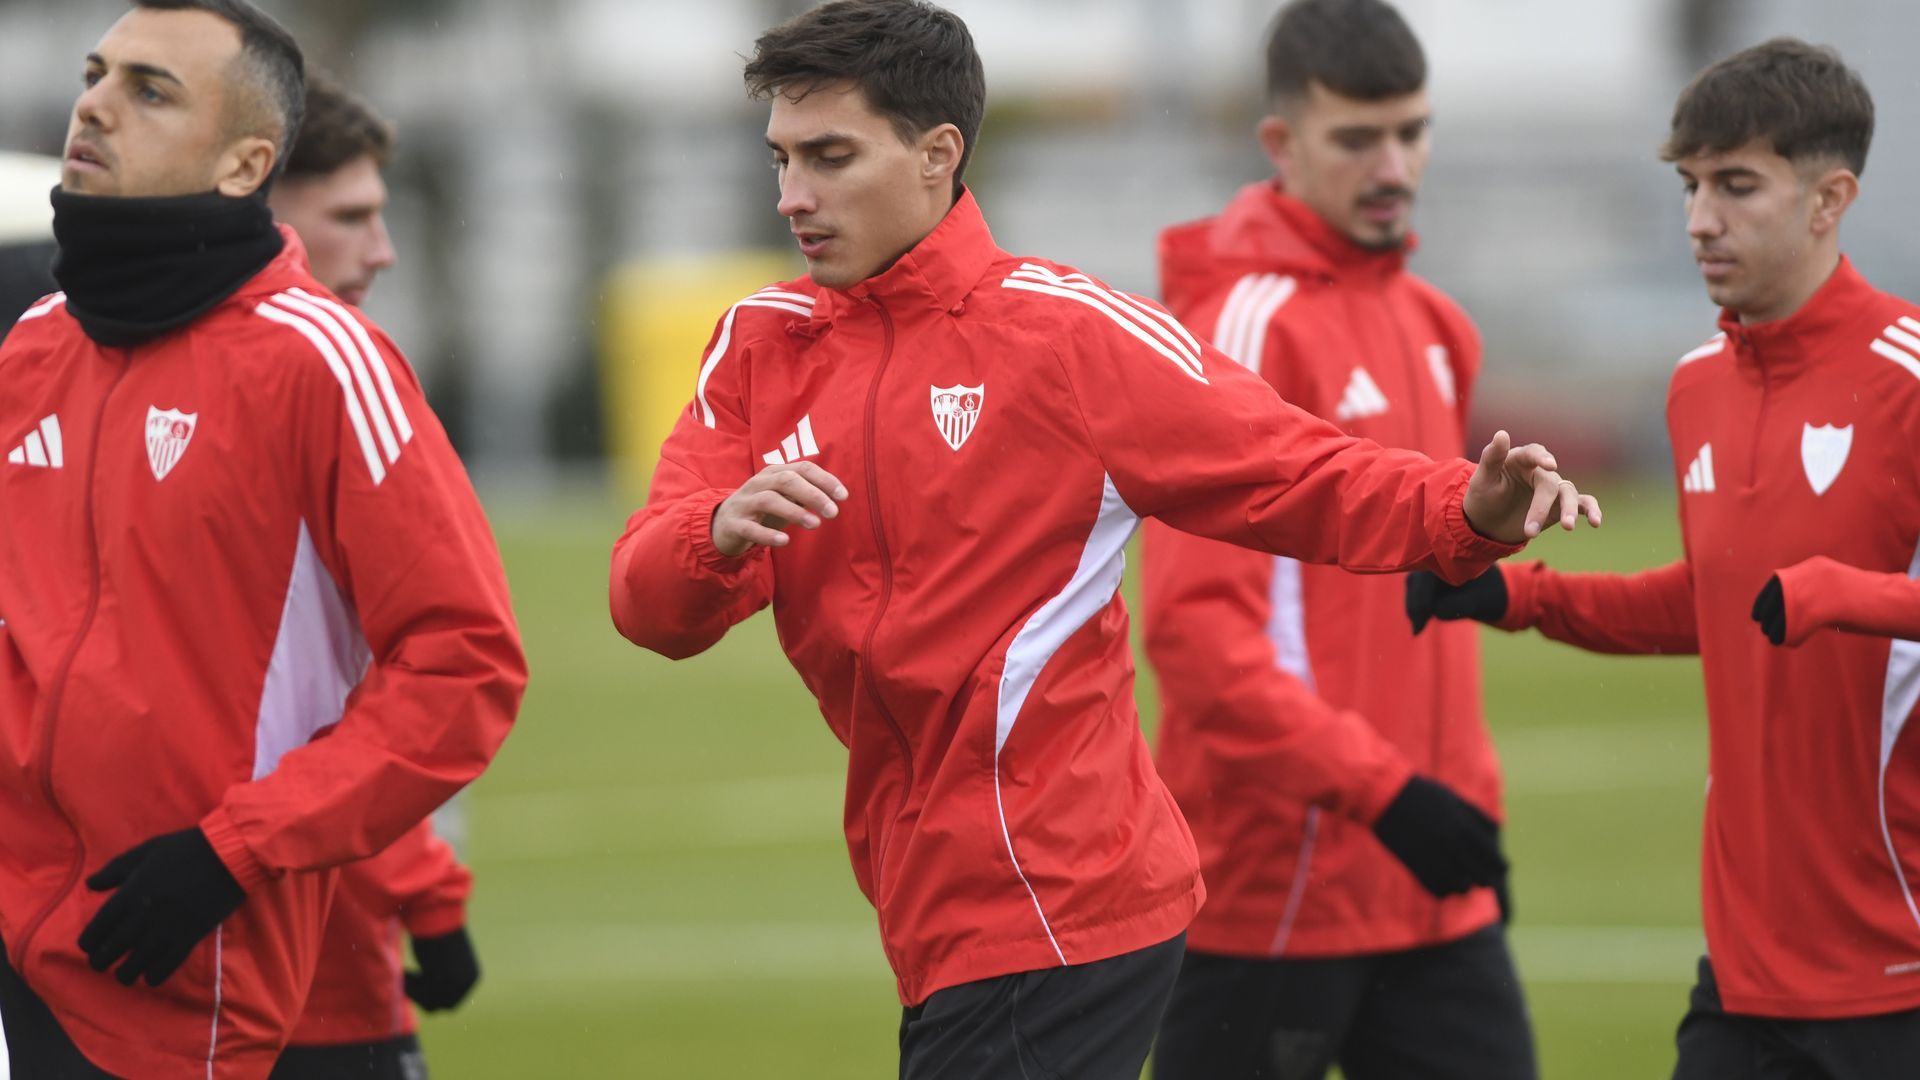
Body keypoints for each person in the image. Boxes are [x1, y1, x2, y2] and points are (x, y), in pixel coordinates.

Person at [608, 1, 1597, 1075]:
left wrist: (1467, 512)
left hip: (1065, 891)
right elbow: (648, 608)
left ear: (939, 154)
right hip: (930, 898)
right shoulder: (758, 347)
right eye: (783, 159)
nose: (794, 196)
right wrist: (712, 532)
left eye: (830, 157)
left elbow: (1290, 468)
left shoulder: (1066, 335)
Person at [0, 2, 524, 1076]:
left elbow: (462, 665)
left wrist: (230, 854)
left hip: (169, 958)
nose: (95, 104)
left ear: (245, 163)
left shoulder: (324, 363)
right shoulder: (33, 348)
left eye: (150, 90)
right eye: (98, 74)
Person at [1408, 38, 1920, 1079]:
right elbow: (1714, 602)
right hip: (1740, 971)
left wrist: (1838, 593)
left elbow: (1792, 600)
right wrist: (1514, 594)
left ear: (1831, 199)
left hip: (1898, 964)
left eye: (1737, 186)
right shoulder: (1695, 389)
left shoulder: (1909, 380)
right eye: (1690, 185)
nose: (1698, 220)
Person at [1143, 2, 1534, 1077]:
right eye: (1358, 138)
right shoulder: (1246, 327)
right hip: (1279, 890)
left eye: (1412, 132)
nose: (1394, 164)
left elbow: (1421, 614)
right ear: (1281, 144)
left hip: (1433, 884)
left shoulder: (1437, 323)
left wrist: (1461, 804)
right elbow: (1196, 638)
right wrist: (1387, 794)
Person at [264, 74, 477, 1080]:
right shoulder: (327, 383)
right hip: (308, 955)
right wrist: (428, 893)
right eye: (349, 217)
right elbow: (404, 681)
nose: (380, 250)